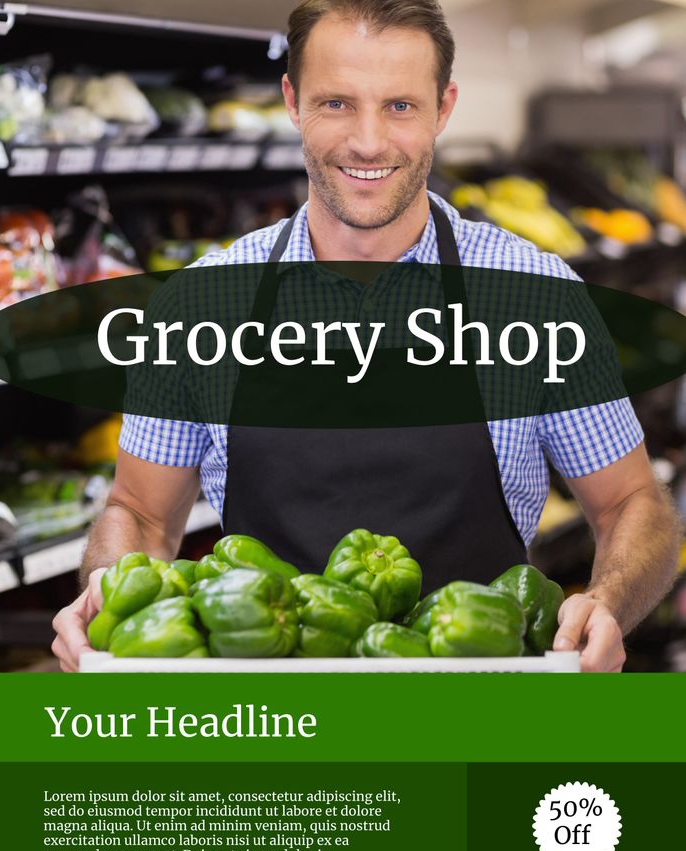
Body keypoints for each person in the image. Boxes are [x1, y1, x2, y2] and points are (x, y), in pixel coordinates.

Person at [52, 0, 681, 673]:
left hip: (483, 708)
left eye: (400, 107)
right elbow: (139, 515)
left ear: (443, 108)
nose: (368, 141)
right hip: (268, 726)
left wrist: (605, 604)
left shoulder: (529, 292)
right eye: (336, 104)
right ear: (292, 102)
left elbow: (630, 503)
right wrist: (108, 593)